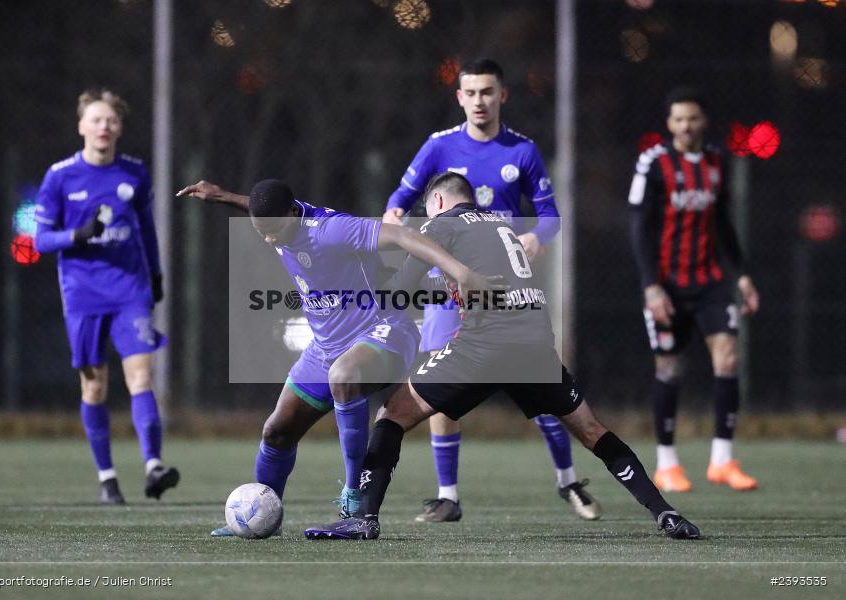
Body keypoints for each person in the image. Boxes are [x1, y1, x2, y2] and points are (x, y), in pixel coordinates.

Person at [304, 172, 699, 540]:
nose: (427, 218)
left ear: (437, 200)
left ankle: (364, 517)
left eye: (428, 209)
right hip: (535, 345)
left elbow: (402, 288)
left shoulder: (441, 224)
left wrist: (359, 282)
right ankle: (665, 512)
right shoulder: (500, 224)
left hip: (485, 346)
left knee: (391, 415)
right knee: (592, 430)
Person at [176, 178, 495, 536]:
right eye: (260, 231)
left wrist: (460, 272)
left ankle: (354, 496)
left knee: (344, 376)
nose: (268, 239)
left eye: (273, 231)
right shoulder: (279, 219)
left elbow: (404, 237)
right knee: (277, 432)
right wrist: (222, 196)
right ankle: (262, 513)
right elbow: (262, 210)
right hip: (325, 347)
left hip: (383, 332)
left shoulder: (333, 229)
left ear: (293, 214)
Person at [382, 58, 600, 522]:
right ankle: (449, 496)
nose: (480, 100)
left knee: (540, 384)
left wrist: (535, 237)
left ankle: (568, 481)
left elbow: (550, 215)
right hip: (448, 288)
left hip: (503, 287)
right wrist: (396, 220)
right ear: (459, 97)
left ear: (503, 95)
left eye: (488, 92)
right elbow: (397, 204)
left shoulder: (521, 151)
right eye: (471, 93)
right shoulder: (439, 147)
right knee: (436, 384)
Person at [33, 89, 178, 505]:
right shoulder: (60, 176)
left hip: (130, 288)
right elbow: (39, 240)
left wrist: (155, 274)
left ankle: (153, 466)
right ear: (81, 126)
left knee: (141, 376)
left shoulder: (134, 172)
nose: (104, 127)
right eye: (96, 120)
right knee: (94, 388)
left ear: (119, 127)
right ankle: (108, 478)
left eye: (111, 120)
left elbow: (147, 229)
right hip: (82, 293)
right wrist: (75, 236)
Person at [627, 86, 760, 493]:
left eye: (693, 118)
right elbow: (639, 228)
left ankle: (722, 460)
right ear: (669, 124)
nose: (686, 126)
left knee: (727, 357)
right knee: (669, 367)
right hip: (667, 286)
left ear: (704, 121)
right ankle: (667, 462)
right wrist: (651, 286)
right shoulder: (653, 163)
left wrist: (740, 274)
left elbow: (722, 223)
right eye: (678, 119)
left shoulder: (718, 161)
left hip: (710, 282)